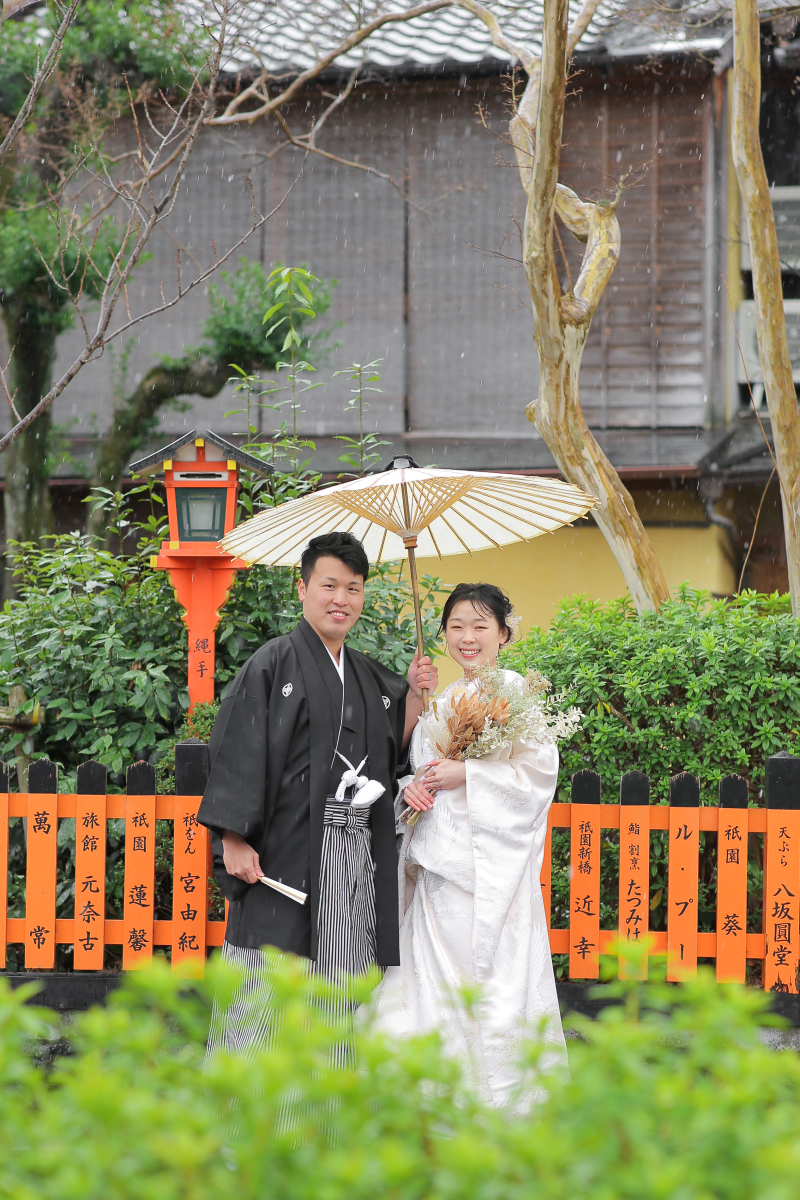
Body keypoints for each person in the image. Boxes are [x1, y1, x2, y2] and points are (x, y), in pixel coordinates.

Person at [197, 531, 437, 1052]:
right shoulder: (273, 663)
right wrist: (233, 838)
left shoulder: (369, 676)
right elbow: (237, 746)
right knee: (263, 983)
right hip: (282, 854)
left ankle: (323, 1121)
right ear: (301, 588)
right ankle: (247, 1118)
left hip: (348, 859)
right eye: (329, 585)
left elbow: (391, 748)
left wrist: (416, 696)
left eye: (353, 588)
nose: (341, 599)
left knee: (335, 988)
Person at [371, 582, 566, 1109]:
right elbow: (416, 772)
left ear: (504, 633)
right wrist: (410, 788)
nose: (467, 637)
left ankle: (499, 1101)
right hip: (436, 871)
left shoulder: (517, 693)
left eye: (481, 626)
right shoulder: (444, 700)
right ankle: (431, 1098)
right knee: (427, 984)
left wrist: (471, 774)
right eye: (456, 626)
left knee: (492, 983)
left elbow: (537, 777)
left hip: (489, 874)